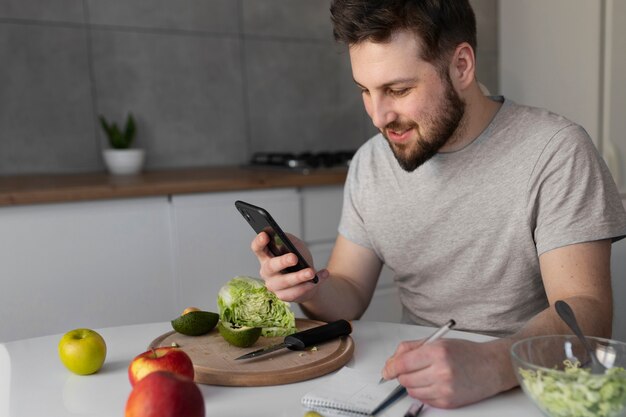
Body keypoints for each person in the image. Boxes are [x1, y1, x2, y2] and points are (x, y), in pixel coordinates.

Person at [250, 0, 626, 409]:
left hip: (530, 387)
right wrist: (310, 282)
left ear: (462, 65)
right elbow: (350, 293)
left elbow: (586, 312)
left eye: (398, 90)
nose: (378, 117)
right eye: (366, 91)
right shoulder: (371, 163)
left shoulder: (556, 152)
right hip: (413, 386)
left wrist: (491, 364)